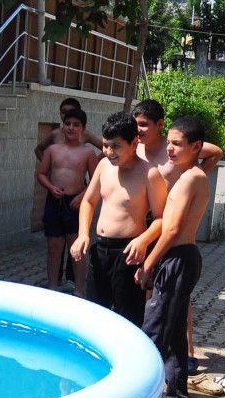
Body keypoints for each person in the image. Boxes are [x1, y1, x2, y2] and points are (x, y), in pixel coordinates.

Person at [135, 98, 224, 372]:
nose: (138, 129)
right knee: (163, 313)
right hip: (160, 234)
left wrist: (149, 263)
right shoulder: (138, 149)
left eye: (143, 125)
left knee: (165, 314)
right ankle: (173, 393)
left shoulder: (186, 170)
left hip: (175, 240)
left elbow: (173, 229)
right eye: (136, 124)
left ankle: (159, 375)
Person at [134, 116, 211, 398]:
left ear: (196, 147)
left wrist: (149, 262)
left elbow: (172, 227)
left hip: (178, 258)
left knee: (152, 333)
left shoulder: (192, 177)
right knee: (175, 333)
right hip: (183, 257)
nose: (170, 148)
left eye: (178, 144)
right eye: (168, 142)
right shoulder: (189, 175)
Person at [71, 112, 168, 326]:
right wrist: (83, 234)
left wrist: (143, 240)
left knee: (128, 316)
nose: (108, 152)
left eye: (115, 146)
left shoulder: (149, 174)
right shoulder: (104, 166)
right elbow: (88, 201)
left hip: (128, 253)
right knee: (95, 311)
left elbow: (162, 218)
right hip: (100, 249)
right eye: (105, 145)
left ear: (134, 143)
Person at [36, 107, 97, 295]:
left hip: (75, 203)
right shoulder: (53, 150)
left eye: (76, 125)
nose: (71, 128)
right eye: (68, 124)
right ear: (63, 126)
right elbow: (41, 174)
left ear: (83, 129)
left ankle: (80, 289)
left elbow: (95, 181)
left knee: (76, 247)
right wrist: (50, 187)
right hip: (54, 201)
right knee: (54, 247)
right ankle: (52, 287)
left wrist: (81, 197)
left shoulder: (87, 153)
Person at [34, 97, 102, 160]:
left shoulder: (85, 134)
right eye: (63, 112)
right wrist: (47, 167)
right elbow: (38, 150)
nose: (66, 115)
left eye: (70, 112)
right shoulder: (55, 133)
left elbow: (106, 150)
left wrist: (93, 164)